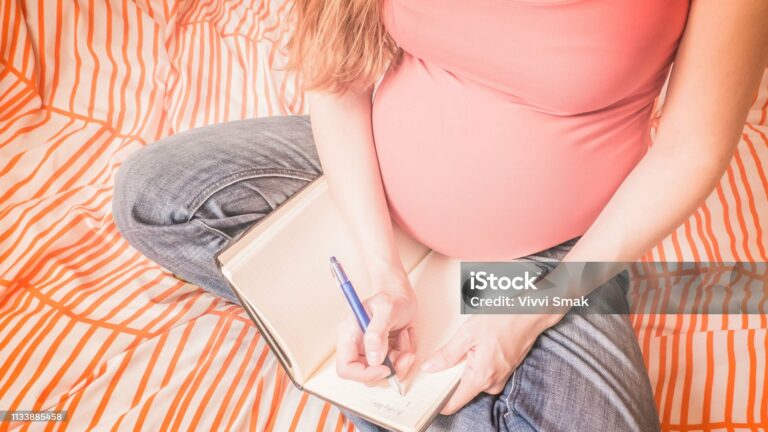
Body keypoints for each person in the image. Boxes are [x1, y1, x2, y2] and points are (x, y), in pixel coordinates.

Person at [111, 0, 768, 430]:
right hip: (364, 189)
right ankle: (401, 322)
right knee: (153, 195)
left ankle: (460, 343)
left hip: (546, 262)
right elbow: (334, 71)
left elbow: (693, 146)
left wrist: (529, 313)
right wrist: (381, 267)